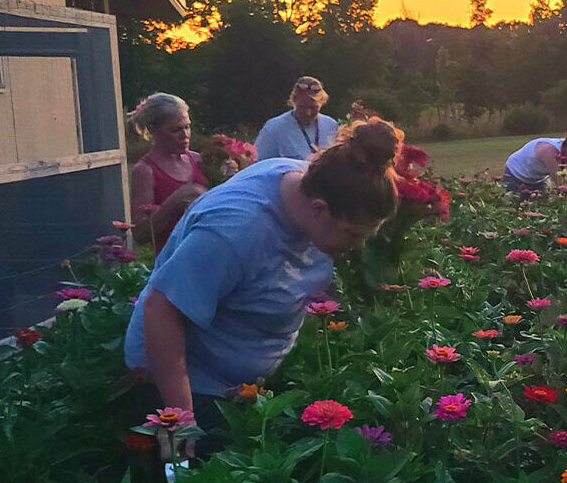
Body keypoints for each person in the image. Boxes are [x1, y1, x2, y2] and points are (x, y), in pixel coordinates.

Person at [125, 117, 401, 458]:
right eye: (352, 235)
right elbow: (160, 308)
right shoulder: (234, 232)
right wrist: (182, 423)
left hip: (240, 382)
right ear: (319, 210)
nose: (357, 247)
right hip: (186, 384)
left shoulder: (315, 182)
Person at [129, 93, 210, 254]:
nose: (185, 135)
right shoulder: (145, 170)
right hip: (174, 258)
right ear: (153, 130)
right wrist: (176, 199)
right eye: (175, 130)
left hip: (208, 250)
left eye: (187, 127)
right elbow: (140, 234)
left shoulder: (198, 160)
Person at [255, 76, 339, 161]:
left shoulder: (331, 125)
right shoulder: (274, 128)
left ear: (322, 103)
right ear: (293, 101)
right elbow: (259, 164)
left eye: (313, 108)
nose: (308, 113)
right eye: (302, 107)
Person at [502, 126, 567, 196]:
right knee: (514, 204)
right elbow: (560, 184)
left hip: (538, 179)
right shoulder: (550, 153)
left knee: (542, 206)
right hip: (515, 175)